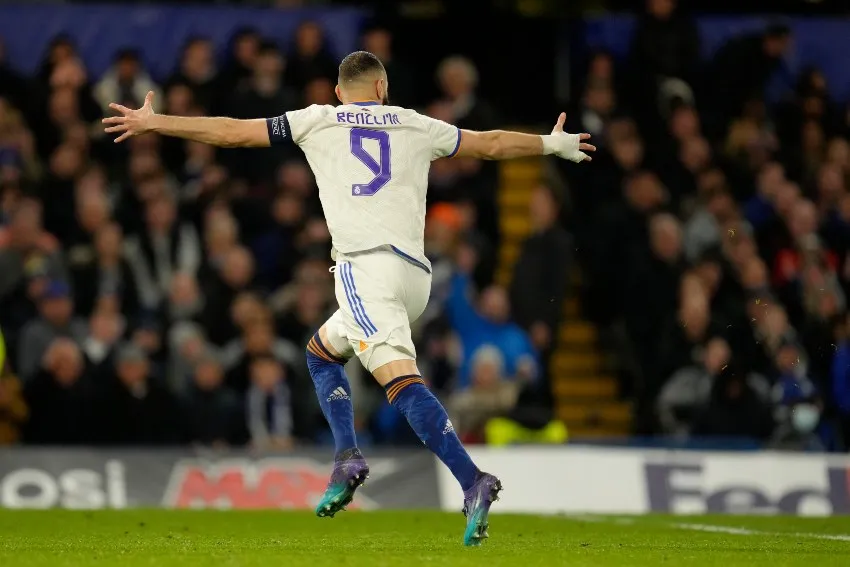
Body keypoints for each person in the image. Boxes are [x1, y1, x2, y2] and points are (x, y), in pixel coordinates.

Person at [102, 50, 595, 546]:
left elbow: (232, 132)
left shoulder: (318, 120)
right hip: (414, 278)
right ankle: (347, 459)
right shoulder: (415, 123)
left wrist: (156, 121)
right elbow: (489, 145)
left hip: (364, 270)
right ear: (382, 88)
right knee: (321, 353)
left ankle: (473, 481)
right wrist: (552, 145)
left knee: (399, 380)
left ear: (339, 92)